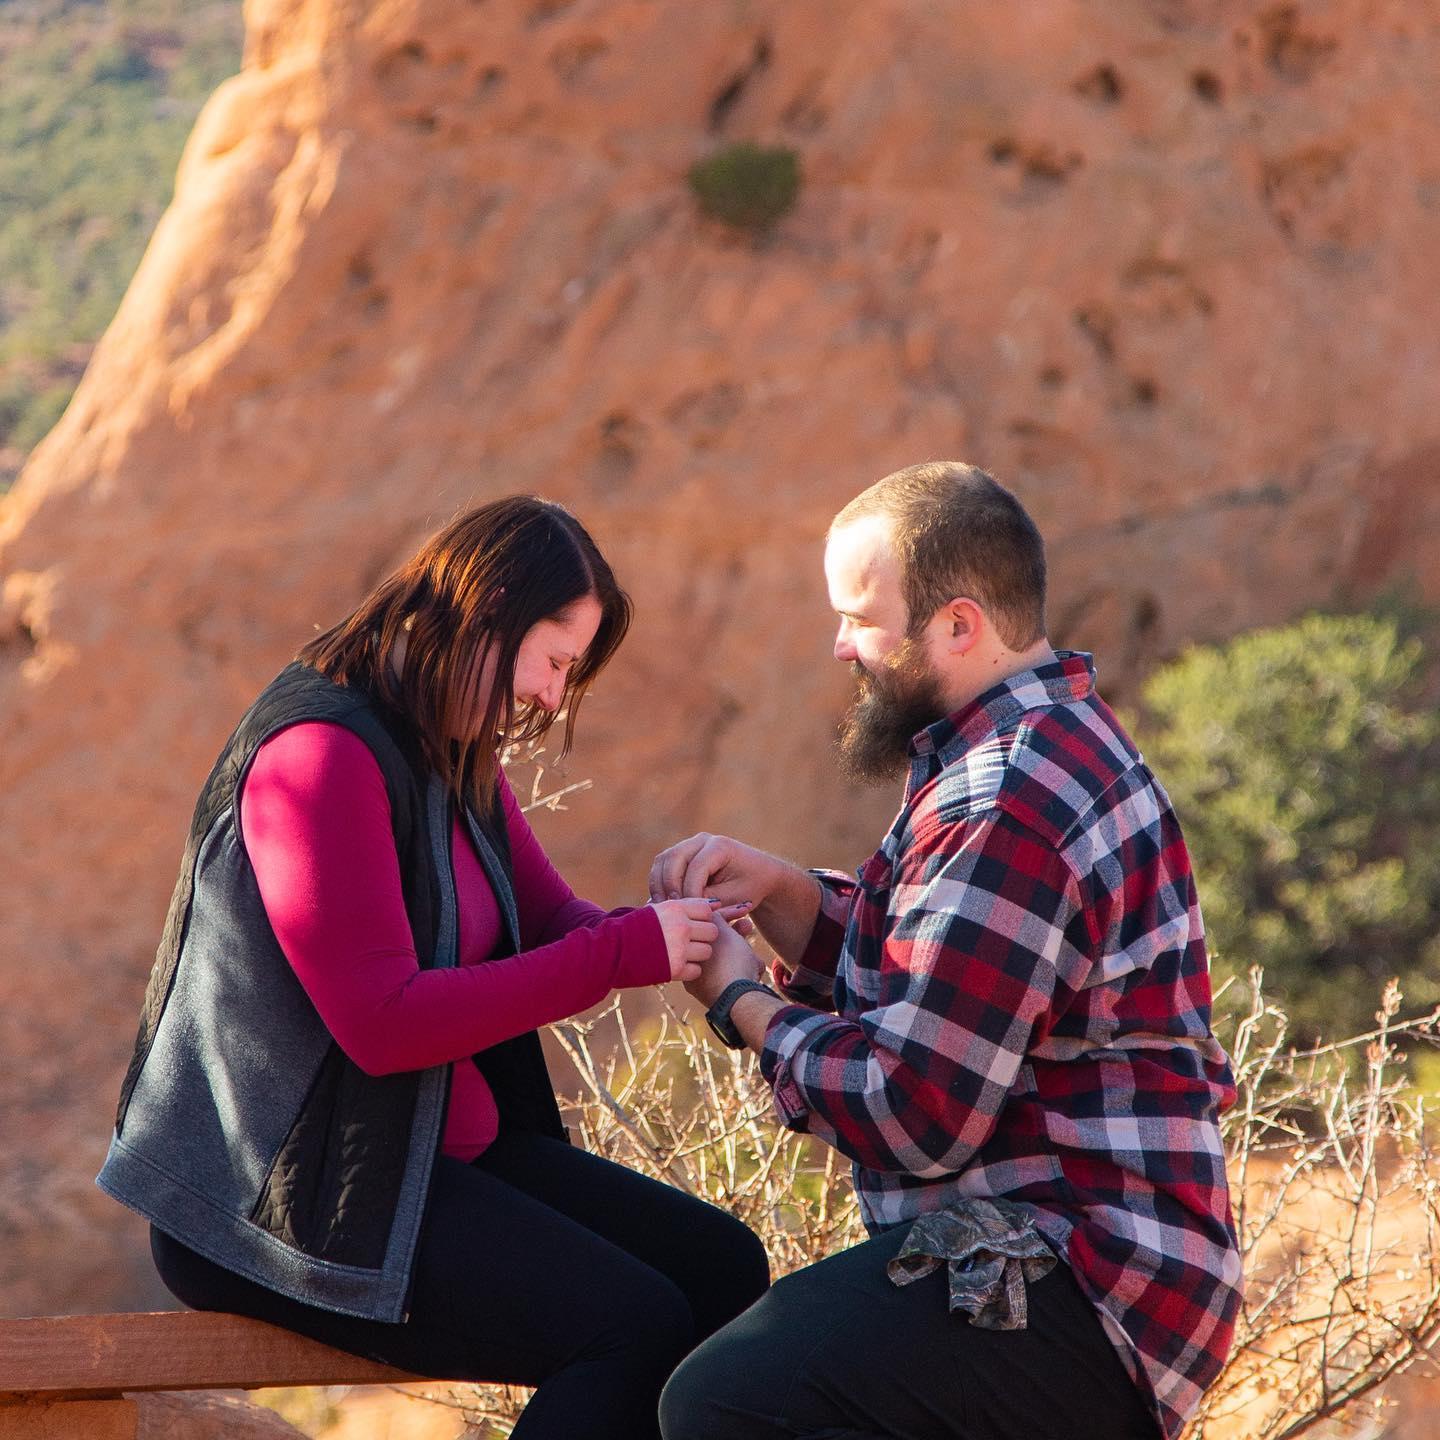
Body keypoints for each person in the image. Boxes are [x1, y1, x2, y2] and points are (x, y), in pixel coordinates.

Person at [98, 495, 770, 1440]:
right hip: (285, 1201)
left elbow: (554, 924)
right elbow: (385, 1024)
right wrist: (625, 950)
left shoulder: (450, 746)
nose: (551, 696)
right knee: (630, 1325)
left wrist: (684, 927)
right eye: (553, 660)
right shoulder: (319, 756)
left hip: (417, 1156)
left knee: (726, 1271)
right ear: (488, 610)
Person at [651, 462, 1241, 1440]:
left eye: (861, 619)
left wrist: (742, 1002)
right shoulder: (1025, 746)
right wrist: (792, 896)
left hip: (1084, 1274)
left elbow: (917, 1112)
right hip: (1084, 1264)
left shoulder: (1006, 795)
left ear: (958, 626)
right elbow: (951, 978)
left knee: (726, 1400)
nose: (842, 645)